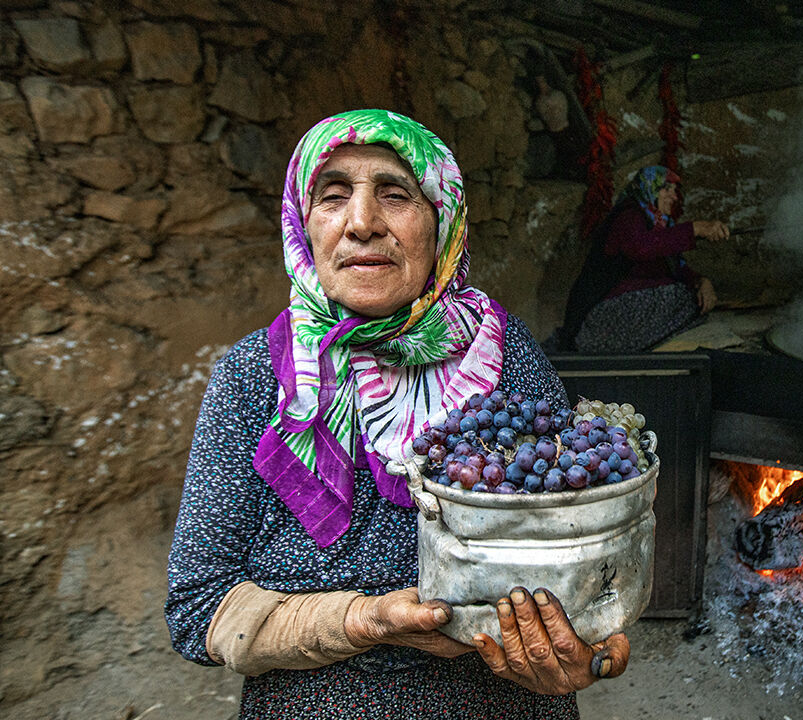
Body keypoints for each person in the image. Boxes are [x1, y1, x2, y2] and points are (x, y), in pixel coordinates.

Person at [165, 109, 629, 718]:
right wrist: (363, 621)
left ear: (441, 219)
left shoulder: (503, 351)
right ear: (302, 226)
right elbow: (198, 609)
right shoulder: (253, 374)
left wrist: (580, 649)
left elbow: (581, 546)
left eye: (395, 194)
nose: (362, 224)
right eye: (332, 196)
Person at [558, 166, 730, 353]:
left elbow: (675, 268)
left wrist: (701, 281)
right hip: (598, 318)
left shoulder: (658, 225)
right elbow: (641, 247)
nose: (674, 197)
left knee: (696, 298)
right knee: (679, 296)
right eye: (667, 189)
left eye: (674, 191)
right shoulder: (628, 216)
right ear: (650, 188)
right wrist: (695, 229)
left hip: (621, 316)